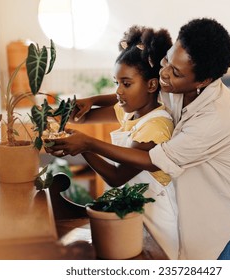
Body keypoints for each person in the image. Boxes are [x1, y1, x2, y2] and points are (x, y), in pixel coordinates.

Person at [47, 18, 230, 260]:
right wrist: (92, 101)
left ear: (203, 81)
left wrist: (88, 144)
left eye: (175, 72)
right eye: (167, 60)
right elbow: (141, 92)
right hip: (203, 207)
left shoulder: (215, 117)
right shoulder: (177, 86)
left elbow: (153, 160)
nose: (163, 73)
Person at [48, 25, 179, 259]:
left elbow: (117, 176)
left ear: (151, 85)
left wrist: (84, 146)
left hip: (158, 223)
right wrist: (54, 117)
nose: (118, 91)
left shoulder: (156, 125)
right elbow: (83, 117)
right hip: (134, 218)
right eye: (116, 82)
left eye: (126, 83)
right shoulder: (130, 112)